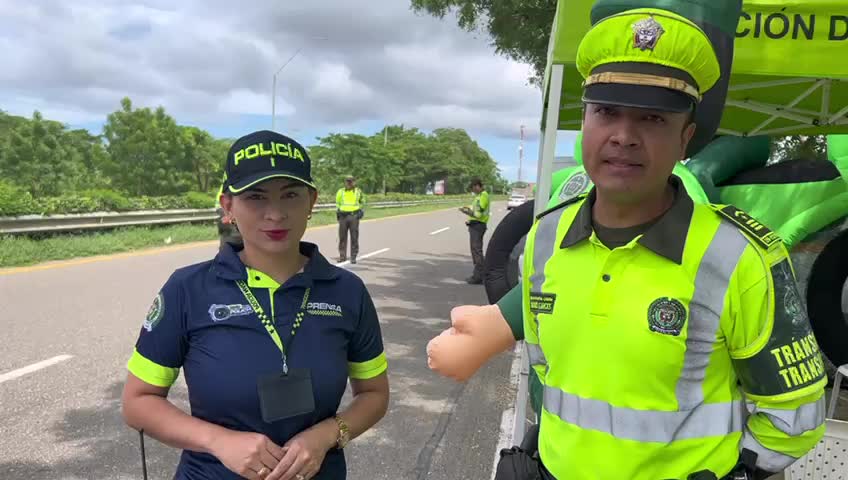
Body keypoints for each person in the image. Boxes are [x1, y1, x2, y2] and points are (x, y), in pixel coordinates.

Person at [426, 8, 827, 480]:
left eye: (653, 118)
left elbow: (794, 415)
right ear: (585, 121)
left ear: (686, 139)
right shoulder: (546, 238)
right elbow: (546, 370)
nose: (623, 136)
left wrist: (738, 473)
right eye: (607, 111)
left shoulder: (739, 256)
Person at [121, 130, 390, 480]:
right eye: (256, 197)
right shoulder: (187, 290)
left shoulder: (347, 291)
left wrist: (326, 436)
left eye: (290, 195)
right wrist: (217, 441)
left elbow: (374, 394)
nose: (275, 214)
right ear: (228, 205)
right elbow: (138, 401)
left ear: (312, 201)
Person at [459, 178, 490, 284]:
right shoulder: (479, 196)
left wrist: (467, 212)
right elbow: (475, 211)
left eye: (473, 188)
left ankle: (479, 276)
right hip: (475, 225)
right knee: (476, 250)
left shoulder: (483, 196)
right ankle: (479, 275)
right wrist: (469, 218)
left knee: (476, 251)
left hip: (478, 226)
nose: (473, 191)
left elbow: (478, 214)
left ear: (477, 186)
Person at [335, 175, 364, 264]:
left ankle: (353, 257)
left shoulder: (358, 192)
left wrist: (359, 210)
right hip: (343, 216)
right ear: (345, 182)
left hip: (354, 216)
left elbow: (362, 201)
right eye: (347, 181)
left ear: (354, 182)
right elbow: (337, 202)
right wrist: (339, 212)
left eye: (350, 181)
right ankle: (342, 256)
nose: (349, 183)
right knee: (342, 237)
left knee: (354, 237)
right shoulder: (341, 191)